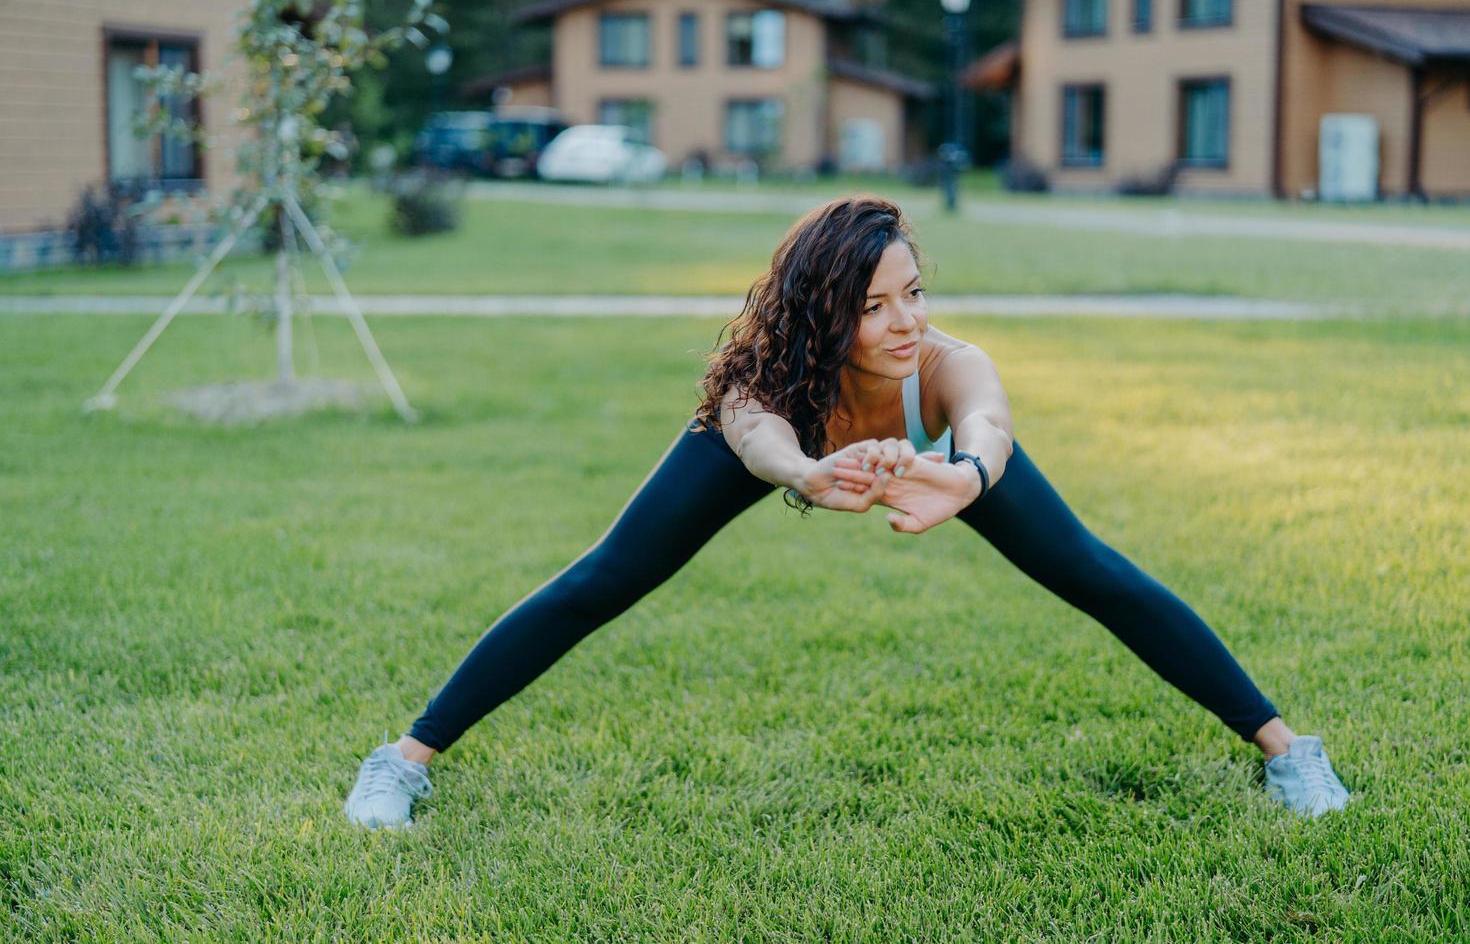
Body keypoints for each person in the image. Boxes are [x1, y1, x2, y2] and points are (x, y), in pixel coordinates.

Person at [345, 196, 1349, 829]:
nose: (905, 320)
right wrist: (809, 474)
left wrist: (968, 477)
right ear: (825, 310)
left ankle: (1289, 752)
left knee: (1095, 572)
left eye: (913, 292)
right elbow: (757, 439)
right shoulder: (763, 371)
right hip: (793, 442)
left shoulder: (946, 364)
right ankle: (402, 761)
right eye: (874, 305)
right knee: (601, 580)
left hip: (939, 462)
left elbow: (989, 420)